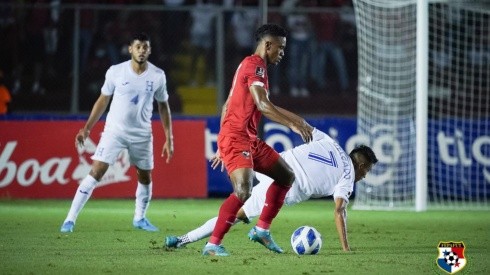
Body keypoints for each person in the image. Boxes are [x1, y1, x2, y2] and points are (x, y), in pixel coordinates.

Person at [200, 23, 314, 256]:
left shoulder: (250, 65)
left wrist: (298, 120)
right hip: (237, 138)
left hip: (247, 138)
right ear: (268, 45)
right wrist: (292, 123)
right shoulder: (256, 66)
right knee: (243, 190)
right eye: (280, 48)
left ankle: (262, 230)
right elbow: (263, 105)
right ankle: (212, 245)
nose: (282, 53)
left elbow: (227, 105)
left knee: (286, 176)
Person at [165, 129, 378, 251]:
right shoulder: (349, 175)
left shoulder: (332, 143)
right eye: (367, 170)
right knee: (235, 215)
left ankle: (231, 154)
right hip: (284, 184)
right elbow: (339, 210)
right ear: (360, 165)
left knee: (238, 202)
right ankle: (184, 240)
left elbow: (298, 123)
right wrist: (345, 247)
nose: (365, 175)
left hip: (277, 163)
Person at [60, 33, 174, 233]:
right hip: (115, 131)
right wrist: (87, 128)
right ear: (130, 49)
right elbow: (103, 100)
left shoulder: (157, 75)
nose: (141, 51)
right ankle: (69, 219)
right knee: (96, 171)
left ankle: (139, 218)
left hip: (142, 134)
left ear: (150, 50)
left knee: (145, 176)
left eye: (145, 47)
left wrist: (169, 137)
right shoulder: (116, 71)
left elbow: (163, 106)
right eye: (138, 47)